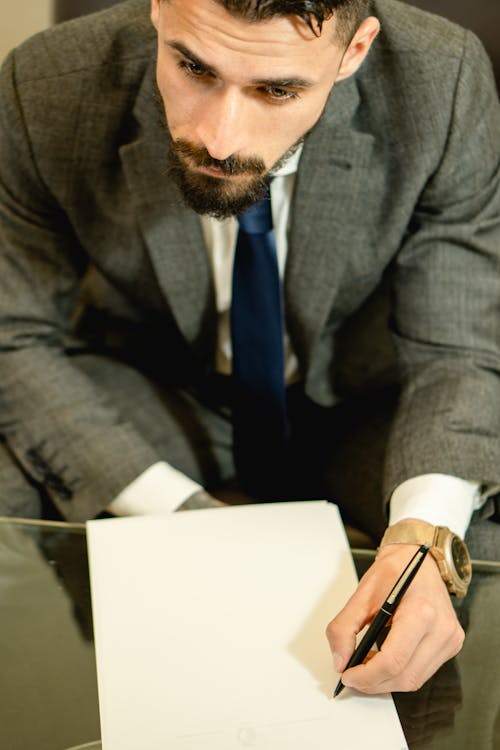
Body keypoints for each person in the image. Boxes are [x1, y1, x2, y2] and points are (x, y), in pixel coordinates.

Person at [0, 0, 499, 696]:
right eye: (192, 66)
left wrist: (424, 540)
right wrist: (185, 519)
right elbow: (12, 336)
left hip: (360, 401)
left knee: (477, 531)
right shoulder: (47, 84)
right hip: (163, 387)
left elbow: (459, 345)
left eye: (278, 89)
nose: (220, 137)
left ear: (354, 52)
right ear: (157, 10)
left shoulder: (440, 81)